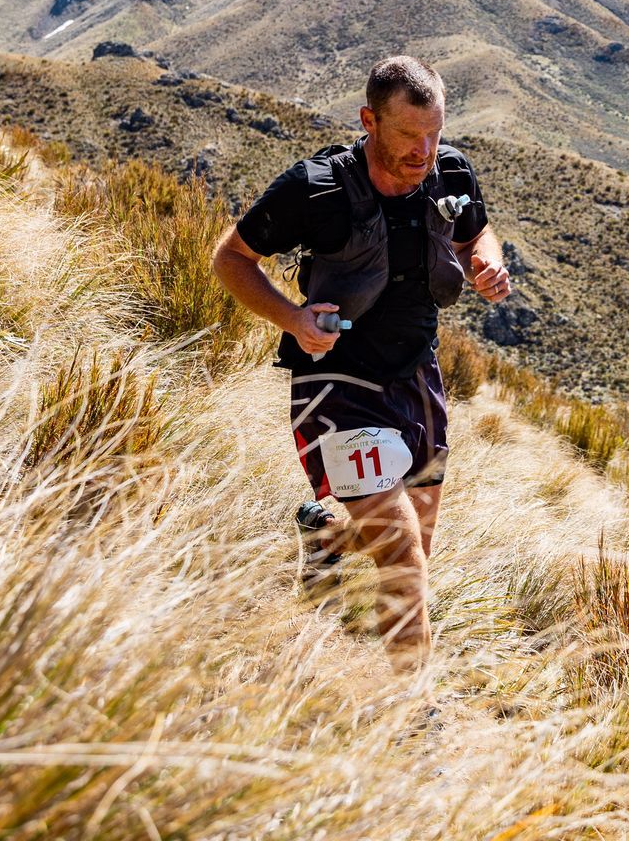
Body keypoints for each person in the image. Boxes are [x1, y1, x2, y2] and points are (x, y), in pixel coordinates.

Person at [211, 55, 511, 667]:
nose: (424, 150)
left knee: (415, 545)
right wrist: (293, 318)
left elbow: (476, 231)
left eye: (434, 132)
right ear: (369, 121)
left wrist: (486, 261)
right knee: (402, 557)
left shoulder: (449, 170)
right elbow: (231, 259)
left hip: (418, 378)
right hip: (338, 387)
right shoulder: (315, 189)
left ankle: (326, 539)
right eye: (407, 134)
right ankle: (411, 719)